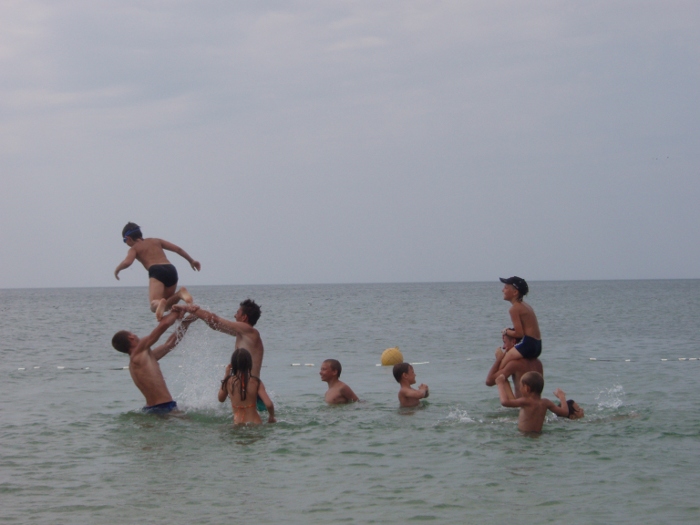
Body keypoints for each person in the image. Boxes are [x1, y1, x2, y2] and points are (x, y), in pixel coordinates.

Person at [111, 310, 196, 413]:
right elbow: (163, 325)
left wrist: (186, 322)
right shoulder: (139, 353)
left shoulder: (140, 360)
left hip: (150, 409)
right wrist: (176, 312)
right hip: (164, 407)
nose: (137, 336)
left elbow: (169, 344)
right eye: (134, 334)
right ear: (131, 337)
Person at [114, 222, 201, 320]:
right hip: (171, 269)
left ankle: (160, 302)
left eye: (124, 240)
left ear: (128, 238)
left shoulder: (134, 249)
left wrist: (117, 270)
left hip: (156, 270)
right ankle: (180, 294)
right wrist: (191, 261)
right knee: (167, 305)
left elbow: (127, 262)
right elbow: (178, 249)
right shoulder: (156, 241)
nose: (126, 243)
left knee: (154, 305)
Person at [173, 299, 263, 377]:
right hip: (243, 386)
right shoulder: (243, 334)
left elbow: (215, 319)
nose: (235, 316)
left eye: (237, 313)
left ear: (244, 317)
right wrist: (195, 316)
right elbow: (215, 325)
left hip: (250, 387)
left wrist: (187, 308)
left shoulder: (250, 331)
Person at [495, 371, 570, 433]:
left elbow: (505, 402)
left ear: (527, 388)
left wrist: (500, 384)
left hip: (524, 436)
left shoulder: (526, 401)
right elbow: (565, 412)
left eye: (521, 386)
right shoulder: (546, 402)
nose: (520, 389)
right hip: (538, 435)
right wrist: (562, 397)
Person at [218, 348, 275, 424]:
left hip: (237, 424)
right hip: (255, 423)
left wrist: (226, 374)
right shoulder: (256, 382)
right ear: (249, 364)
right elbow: (269, 404)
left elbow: (221, 399)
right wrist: (271, 416)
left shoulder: (228, 382)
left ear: (233, 365)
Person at [498, 276, 542, 369]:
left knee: (500, 366)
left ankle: (497, 377)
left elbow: (519, 333)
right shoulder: (525, 305)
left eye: (506, 288)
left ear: (515, 292)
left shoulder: (514, 309)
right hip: (537, 344)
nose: (502, 290)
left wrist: (505, 331)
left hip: (529, 344)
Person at [485, 331, 543, 398]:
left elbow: (489, 381)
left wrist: (499, 359)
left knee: (502, 378)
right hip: (536, 403)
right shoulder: (538, 363)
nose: (503, 347)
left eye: (504, 342)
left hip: (520, 404)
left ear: (513, 341)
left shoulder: (515, 364)